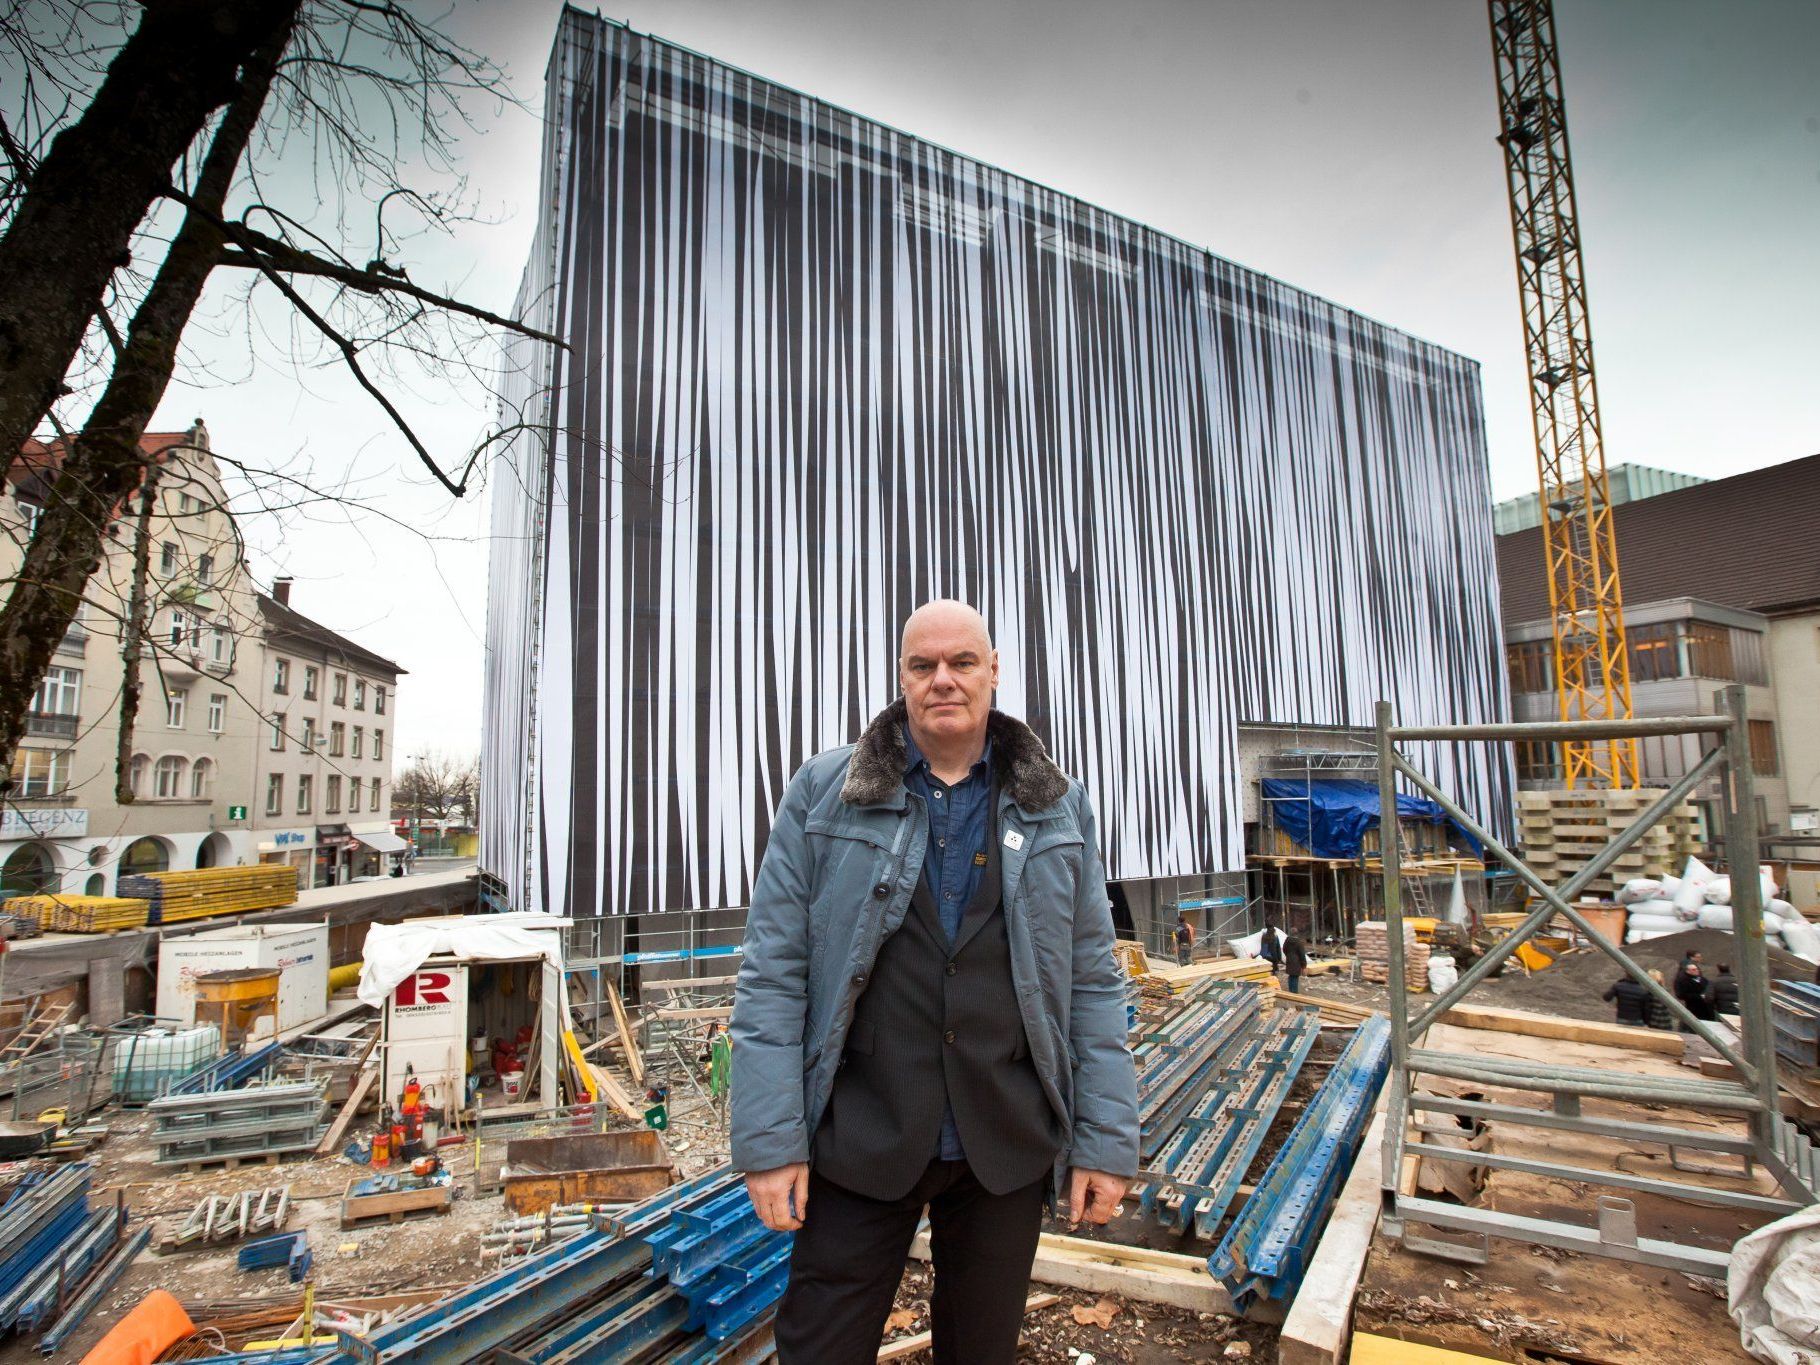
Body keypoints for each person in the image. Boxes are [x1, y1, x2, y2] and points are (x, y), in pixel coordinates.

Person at [730, 600, 1139, 1365]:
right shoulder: (825, 794)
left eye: (961, 663)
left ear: (994, 671)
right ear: (901, 678)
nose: (942, 680)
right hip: (862, 1132)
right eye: (923, 665)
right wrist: (768, 1141)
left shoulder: (1058, 806)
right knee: (819, 1349)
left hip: (1004, 1142)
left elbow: (1091, 980)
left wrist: (1107, 1142)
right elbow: (774, 972)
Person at [1674, 950, 1715, 1024]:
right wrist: (1700, 996)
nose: (1700, 958)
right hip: (1695, 1007)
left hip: (1703, 1007)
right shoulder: (1684, 979)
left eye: (1696, 969)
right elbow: (1682, 994)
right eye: (1698, 957)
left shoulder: (1701, 978)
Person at [1282, 930, 1307, 996]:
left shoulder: (1287, 941)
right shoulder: (1299, 943)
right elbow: (1302, 955)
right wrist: (1304, 966)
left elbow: (1284, 949)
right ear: (1297, 934)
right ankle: (1294, 992)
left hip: (1289, 960)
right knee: (1295, 977)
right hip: (1297, 961)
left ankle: (1290, 991)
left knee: (1291, 976)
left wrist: (1288, 955)